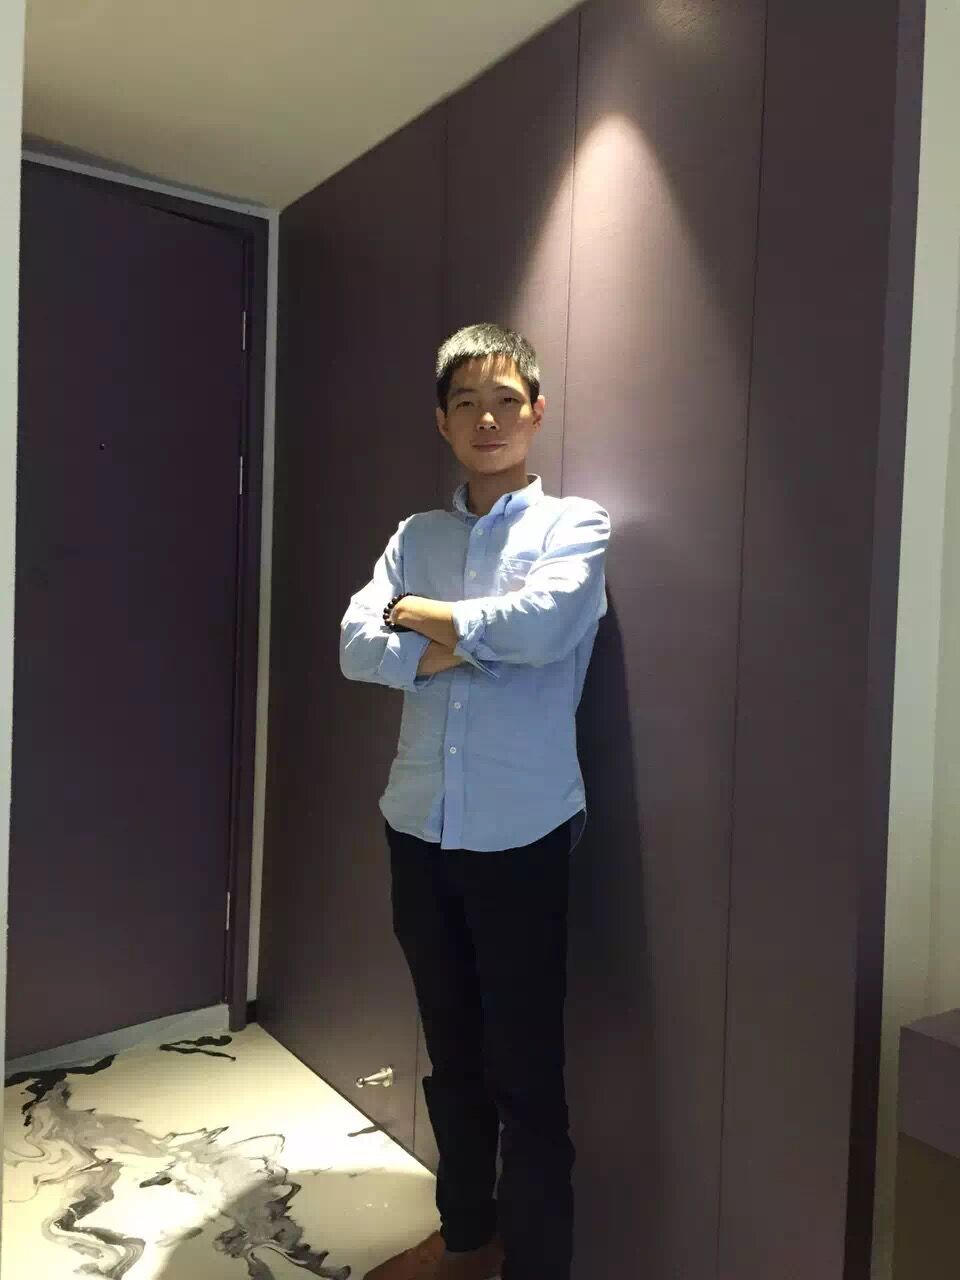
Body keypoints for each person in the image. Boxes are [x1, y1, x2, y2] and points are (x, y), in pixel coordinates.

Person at [339, 323, 610, 1280]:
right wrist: (460, 644)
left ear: (536, 413)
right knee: (451, 1057)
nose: (487, 420)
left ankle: (535, 1264)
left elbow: (544, 628)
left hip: (521, 837)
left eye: (505, 402)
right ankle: (465, 1241)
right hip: (417, 828)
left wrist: (420, 619)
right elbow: (354, 647)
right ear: (443, 423)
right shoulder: (417, 537)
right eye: (467, 405)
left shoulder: (574, 526)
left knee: (526, 1074)